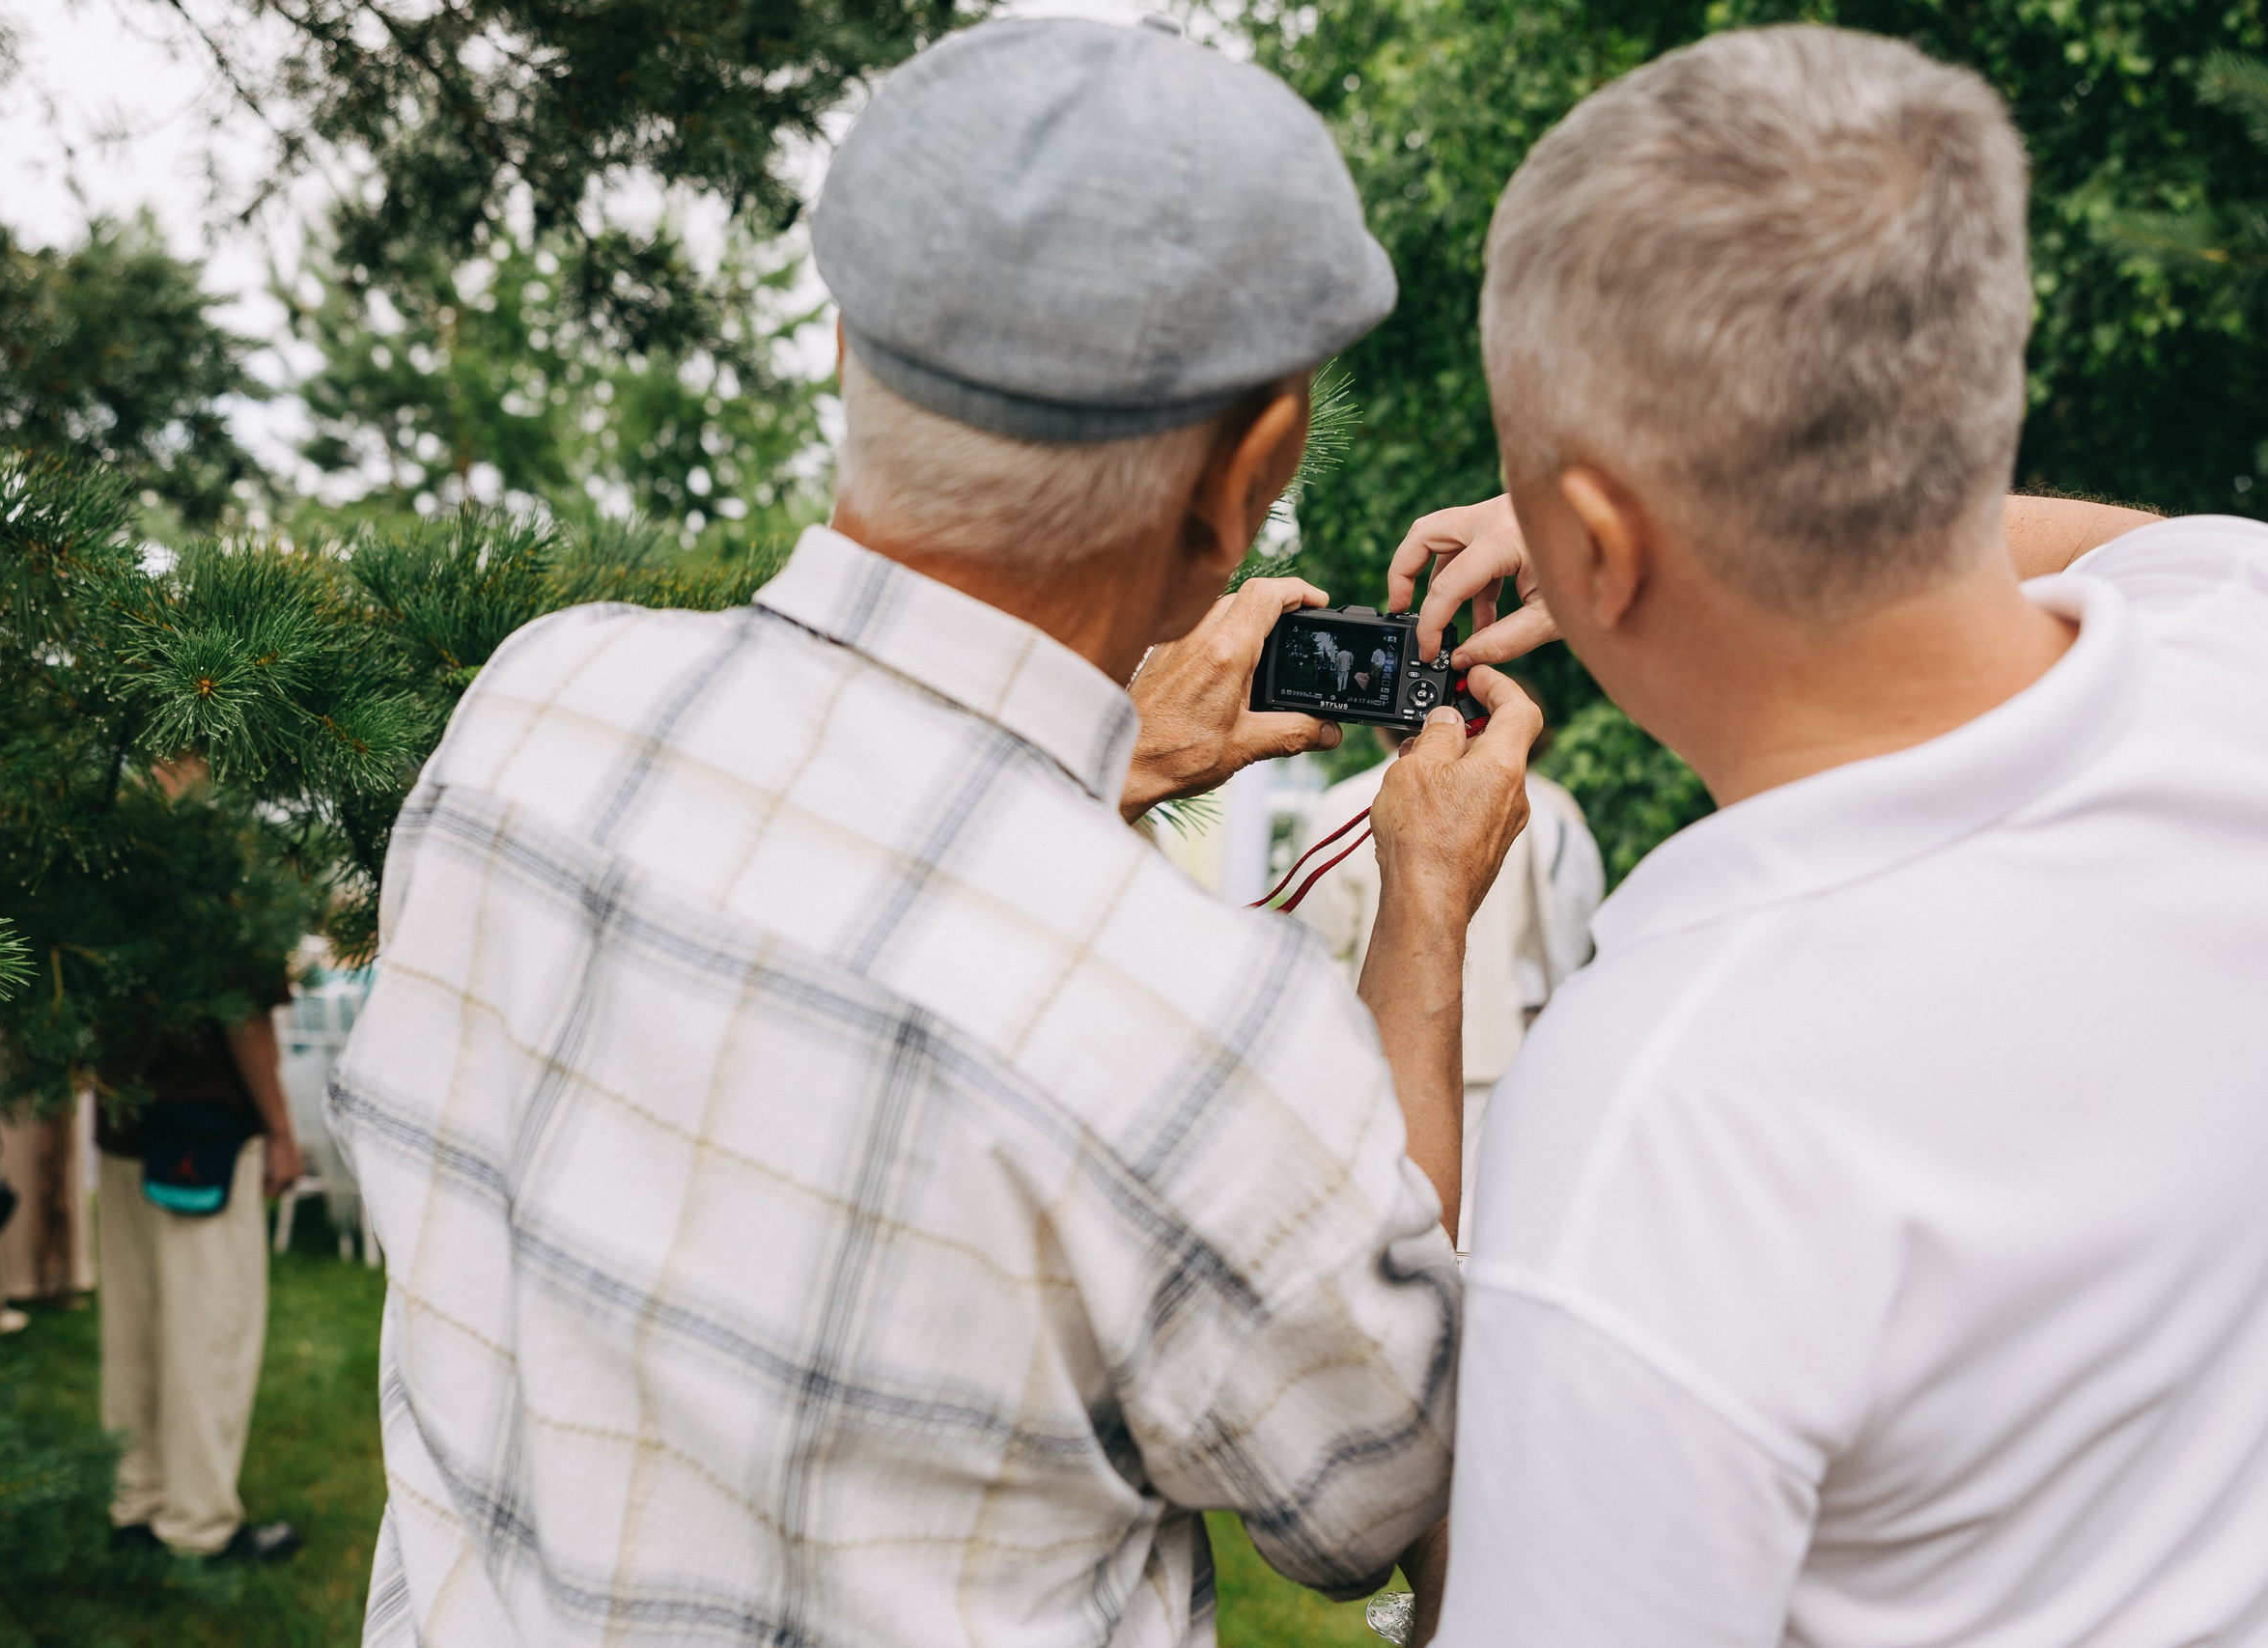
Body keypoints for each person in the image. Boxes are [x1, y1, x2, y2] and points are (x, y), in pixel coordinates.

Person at [329, 17, 1535, 1646]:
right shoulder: (1190, 1017)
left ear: (845, 344)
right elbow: (1369, 1487)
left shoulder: (537, 708)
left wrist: (1094, 773)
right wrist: (1429, 913)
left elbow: (827, 942)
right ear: (1245, 469)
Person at [1384, 26, 2268, 1646]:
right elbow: (2176, 555)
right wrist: (1685, 515)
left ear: (1591, 540)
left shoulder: (1669, 1114)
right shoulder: (2240, 658)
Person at [94, 762, 307, 1563]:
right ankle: (198, 1522)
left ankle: (137, 1504)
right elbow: (243, 1014)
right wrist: (282, 1129)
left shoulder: (103, 850)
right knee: (206, 1332)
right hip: (205, 1132)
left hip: (123, 1124)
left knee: (137, 1330)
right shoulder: (216, 858)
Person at [1294, 711, 1602, 1247]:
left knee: (1382, 1221)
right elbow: (1543, 933)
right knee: (1472, 1230)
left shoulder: (1345, 803)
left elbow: (1316, 941)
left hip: (1380, 1045)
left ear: (1381, 723)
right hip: (1490, 1041)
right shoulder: (1515, 807)